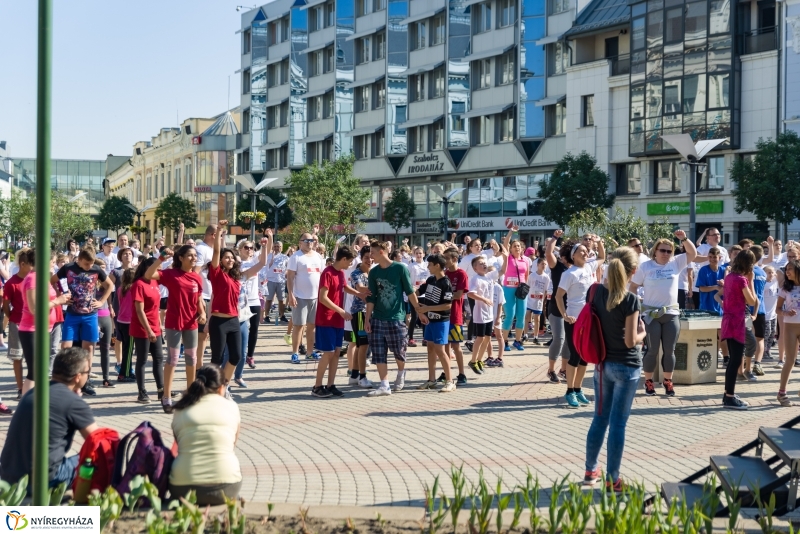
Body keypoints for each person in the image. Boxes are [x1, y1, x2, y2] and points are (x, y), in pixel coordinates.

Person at [583, 247, 646, 492]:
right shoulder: (630, 299)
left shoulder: (596, 291)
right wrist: (643, 333)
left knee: (599, 419)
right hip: (627, 366)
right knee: (618, 424)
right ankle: (613, 479)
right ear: (633, 271)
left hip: (601, 365)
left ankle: (590, 471)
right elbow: (631, 341)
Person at [0, 348, 98, 488]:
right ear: (77, 377)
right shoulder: (73, 402)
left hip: (9, 476)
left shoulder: (34, 392)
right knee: (96, 460)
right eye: (87, 372)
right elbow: (97, 440)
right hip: (41, 480)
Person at [630, 230, 696, 397]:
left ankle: (668, 381)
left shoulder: (675, 263)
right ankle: (649, 381)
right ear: (655, 251)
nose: (666, 254)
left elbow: (693, 253)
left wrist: (684, 239)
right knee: (652, 350)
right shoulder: (646, 266)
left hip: (671, 313)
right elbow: (633, 287)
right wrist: (636, 307)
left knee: (670, 350)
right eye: (662, 250)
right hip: (651, 315)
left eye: (669, 251)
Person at [145, 244, 207, 413]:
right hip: (174, 323)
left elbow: (198, 298)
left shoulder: (196, 277)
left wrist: (202, 312)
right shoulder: (171, 274)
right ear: (181, 258)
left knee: (192, 359)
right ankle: (166, 397)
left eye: (195, 256)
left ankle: (190, 395)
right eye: (190, 255)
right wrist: (161, 258)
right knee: (172, 360)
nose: (194, 258)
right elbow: (149, 274)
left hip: (191, 323)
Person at [169, 365, 242, 505]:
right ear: (221, 387)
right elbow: (232, 445)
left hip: (183, 486)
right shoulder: (232, 407)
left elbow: (179, 444)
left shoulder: (181, 408)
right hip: (226, 484)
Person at [54, 247, 114, 397]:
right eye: (86, 264)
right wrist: (61, 296)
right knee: (65, 347)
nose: (89, 267)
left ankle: (85, 382)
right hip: (72, 314)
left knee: (89, 349)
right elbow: (52, 281)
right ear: (79, 259)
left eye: (91, 264)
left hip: (90, 315)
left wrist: (101, 301)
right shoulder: (68, 268)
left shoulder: (96, 270)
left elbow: (110, 285)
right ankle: (64, 381)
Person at [365, 240, 421, 396]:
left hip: (396, 318)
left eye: (373, 253)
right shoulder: (374, 272)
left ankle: (401, 373)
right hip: (377, 317)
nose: (371, 256)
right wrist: (367, 319)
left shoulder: (400, 269)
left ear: (382, 252)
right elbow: (371, 297)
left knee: (399, 351)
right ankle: (384, 385)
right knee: (378, 352)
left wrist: (419, 311)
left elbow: (410, 292)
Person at [555, 237, 605, 408]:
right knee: (575, 356)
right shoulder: (569, 274)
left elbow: (602, 258)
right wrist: (565, 315)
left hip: (589, 318)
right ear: (573, 255)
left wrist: (599, 243)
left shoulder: (590, 266)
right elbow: (558, 296)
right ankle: (569, 391)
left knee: (585, 356)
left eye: (586, 250)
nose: (585, 253)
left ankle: (578, 389)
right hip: (574, 319)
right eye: (581, 251)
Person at [20, 249, 72, 395]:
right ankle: (28, 406)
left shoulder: (41, 277)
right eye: (53, 262)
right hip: (31, 329)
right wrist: (57, 301)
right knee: (34, 371)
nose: (53, 265)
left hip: (44, 329)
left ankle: (38, 404)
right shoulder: (33, 278)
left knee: (40, 371)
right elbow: (34, 308)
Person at [312, 246, 355, 397]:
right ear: (343, 259)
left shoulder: (341, 273)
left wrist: (359, 293)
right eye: (349, 262)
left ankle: (330, 385)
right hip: (326, 319)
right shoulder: (327, 272)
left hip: (338, 320)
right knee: (328, 353)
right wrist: (341, 311)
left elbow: (344, 287)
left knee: (336, 352)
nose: (350, 265)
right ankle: (317, 386)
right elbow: (323, 298)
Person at [718, 249, 757, 409]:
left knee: (733, 360)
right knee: (735, 360)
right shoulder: (741, 280)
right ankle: (729, 396)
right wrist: (751, 281)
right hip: (737, 322)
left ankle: (728, 392)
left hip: (728, 320)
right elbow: (752, 301)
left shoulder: (729, 277)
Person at [416, 254, 456, 392]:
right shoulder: (430, 279)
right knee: (430, 348)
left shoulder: (446, 283)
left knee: (441, 350)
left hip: (441, 321)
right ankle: (431, 380)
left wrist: (427, 308)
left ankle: (450, 381)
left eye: (430, 264)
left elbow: (447, 305)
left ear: (437, 265)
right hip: (429, 320)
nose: (428, 267)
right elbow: (417, 291)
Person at [129, 257, 165, 403]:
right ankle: (141, 392)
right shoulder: (138, 284)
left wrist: (157, 326)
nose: (159, 270)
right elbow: (139, 311)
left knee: (159, 358)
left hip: (155, 326)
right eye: (156, 267)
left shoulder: (155, 282)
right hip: (142, 327)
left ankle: (161, 390)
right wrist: (149, 330)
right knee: (142, 360)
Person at [287, 232, 325, 363]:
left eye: (311, 240)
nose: (309, 242)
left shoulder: (318, 257)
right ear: (300, 242)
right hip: (300, 296)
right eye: (306, 240)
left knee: (312, 326)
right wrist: (291, 295)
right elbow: (290, 277)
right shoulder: (296, 257)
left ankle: (309, 352)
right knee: (298, 325)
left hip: (316, 297)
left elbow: (322, 276)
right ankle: (295, 353)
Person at [500, 226, 532, 351]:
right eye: (514, 246)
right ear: (511, 249)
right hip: (508, 288)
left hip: (521, 289)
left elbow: (527, 275)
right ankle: (505, 341)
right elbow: (505, 243)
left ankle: (518, 341)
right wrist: (511, 232)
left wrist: (525, 287)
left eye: (519, 246)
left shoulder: (526, 260)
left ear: (522, 248)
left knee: (521, 315)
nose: (517, 247)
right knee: (509, 315)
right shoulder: (508, 257)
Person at [3, 249, 30, 400]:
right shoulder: (12, 283)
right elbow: (6, 305)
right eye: (31, 264)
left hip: (33, 325)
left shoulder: (35, 280)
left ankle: (31, 387)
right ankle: (20, 389)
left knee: (33, 358)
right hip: (17, 325)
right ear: (22, 264)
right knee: (17, 357)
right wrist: (11, 318)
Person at [545, 232, 569, 383]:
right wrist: (554, 237)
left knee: (568, 341)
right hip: (556, 308)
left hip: (571, 308)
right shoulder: (557, 266)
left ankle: (564, 370)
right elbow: (548, 252)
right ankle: (551, 370)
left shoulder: (577, 268)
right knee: (559, 338)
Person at [466, 255, 497, 375]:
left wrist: (505, 254)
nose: (484, 264)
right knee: (480, 338)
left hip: (489, 313)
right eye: (481, 263)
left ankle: (479, 360)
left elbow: (502, 270)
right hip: (480, 314)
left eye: (485, 263)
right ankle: (473, 361)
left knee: (488, 338)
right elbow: (470, 294)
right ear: (475, 268)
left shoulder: (488, 277)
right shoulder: (475, 279)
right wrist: (484, 299)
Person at [348, 246, 374, 388]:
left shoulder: (375, 272)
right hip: (359, 312)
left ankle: (354, 375)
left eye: (371, 257)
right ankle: (362, 376)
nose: (369, 260)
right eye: (366, 258)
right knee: (362, 344)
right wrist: (377, 289)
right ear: (361, 258)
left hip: (371, 311)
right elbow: (360, 288)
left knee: (361, 345)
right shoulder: (356, 273)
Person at [776, 258, 800, 406]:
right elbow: (777, 309)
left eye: (790, 269)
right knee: (790, 361)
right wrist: (785, 312)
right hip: (790, 327)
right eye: (786, 269)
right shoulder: (785, 288)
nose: (787, 272)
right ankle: (782, 393)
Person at [193, 225, 217, 367]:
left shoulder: (212, 249)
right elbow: (194, 274)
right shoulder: (201, 249)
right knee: (202, 334)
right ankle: (198, 366)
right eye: (219, 236)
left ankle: (203, 365)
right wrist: (198, 296)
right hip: (204, 296)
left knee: (207, 334)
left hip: (213, 296)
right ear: (212, 235)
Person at [443, 250, 469, 383]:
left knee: (456, 346)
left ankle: (461, 373)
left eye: (446, 258)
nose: (444, 261)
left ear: (454, 259)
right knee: (444, 346)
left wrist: (443, 298)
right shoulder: (445, 274)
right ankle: (446, 372)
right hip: (444, 316)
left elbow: (459, 294)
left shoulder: (461, 274)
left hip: (455, 315)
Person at [93, 258, 116, 389]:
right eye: (101, 267)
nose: (103, 269)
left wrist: (111, 307)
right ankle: (86, 379)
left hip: (105, 315)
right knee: (90, 349)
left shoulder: (106, 281)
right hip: (93, 317)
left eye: (104, 267)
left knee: (106, 349)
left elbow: (109, 295)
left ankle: (106, 378)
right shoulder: (90, 281)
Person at [262, 240, 289, 325]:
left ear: (281, 248)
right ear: (273, 247)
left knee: (281, 300)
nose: (277, 248)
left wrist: (286, 274)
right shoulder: (269, 256)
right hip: (271, 280)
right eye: (276, 246)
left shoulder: (285, 257)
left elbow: (288, 268)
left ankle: (282, 316)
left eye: (279, 246)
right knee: (269, 299)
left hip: (280, 281)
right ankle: (266, 316)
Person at [525, 258, 550, 346]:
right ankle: (525, 335)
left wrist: (543, 299)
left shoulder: (546, 277)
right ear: (537, 265)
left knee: (537, 319)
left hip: (539, 300)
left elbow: (546, 290)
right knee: (527, 316)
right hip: (530, 299)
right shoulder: (532, 276)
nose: (543, 266)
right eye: (542, 264)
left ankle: (536, 337)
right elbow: (527, 286)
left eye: (545, 264)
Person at [407, 247, 428, 346]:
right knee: (414, 316)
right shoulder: (411, 266)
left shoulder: (427, 265)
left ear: (424, 254)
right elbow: (408, 280)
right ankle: (410, 338)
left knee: (425, 315)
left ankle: (425, 338)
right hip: (414, 294)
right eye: (417, 253)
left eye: (420, 253)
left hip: (425, 294)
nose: (419, 255)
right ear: (414, 254)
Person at [763, 265, 779, 362]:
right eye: (769, 272)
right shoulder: (763, 284)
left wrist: (774, 273)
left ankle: (768, 350)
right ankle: (763, 350)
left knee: (773, 332)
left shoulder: (775, 282)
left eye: (772, 272)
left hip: (773, 313)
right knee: (767, 332)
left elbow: (779, 275)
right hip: (765, 314)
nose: (771, 274)